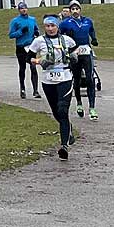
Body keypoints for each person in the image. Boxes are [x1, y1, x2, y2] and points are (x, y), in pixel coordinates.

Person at [28, 15, 79, 160]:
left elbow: (76, 51)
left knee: (63, 109)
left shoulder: (67, 40)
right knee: (56, 112)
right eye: (47, 26)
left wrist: (74, 56)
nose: (50, 29)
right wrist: (39, 61)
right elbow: (28, 58)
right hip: (48, 79)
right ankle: (68, 131)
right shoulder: (39, 41)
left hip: (65, 77)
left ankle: (64, 146)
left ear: (58, 26)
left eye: (53, 26)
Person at [59, 0, 99, 121]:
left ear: (80, 10)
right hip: (74, 52)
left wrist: (94, 39)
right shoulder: (66, 23)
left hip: (86, 51)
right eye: (73, 9)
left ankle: (92, 108)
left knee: (89, 78)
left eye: (77, 9)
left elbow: (91, 30)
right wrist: (66, 40)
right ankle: (79, 103)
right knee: (76, 79)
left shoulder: (87, 21)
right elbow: (59, 35)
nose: (75, 11)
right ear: (70, 11)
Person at [9, 2, 41, 99]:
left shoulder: (32, 19)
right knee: (22, 68)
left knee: (33, 67)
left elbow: (36, 29)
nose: (24, 10)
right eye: (22, 9)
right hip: (21, 47)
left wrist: (36, 32)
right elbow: (11, 35)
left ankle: (35, 90)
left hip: (31, 46)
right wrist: (20, 32)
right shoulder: (15, 21)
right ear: (19, 10)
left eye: (25, 8)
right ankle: (22, 89)